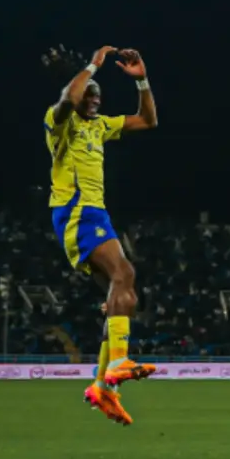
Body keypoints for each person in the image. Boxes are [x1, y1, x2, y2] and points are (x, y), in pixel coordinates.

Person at [45, 46, 158, 425]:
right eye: (90, 96)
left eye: (98, 97)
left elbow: (147, 120)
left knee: (123, 296)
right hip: (77, 212)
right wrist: (93, 65)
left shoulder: (99, 126)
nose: (94, 101)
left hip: (98, 214)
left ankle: (102, 387)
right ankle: (118, 364)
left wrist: (141, 79)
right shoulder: (61, 123)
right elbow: (68, 98)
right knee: (123, 275)